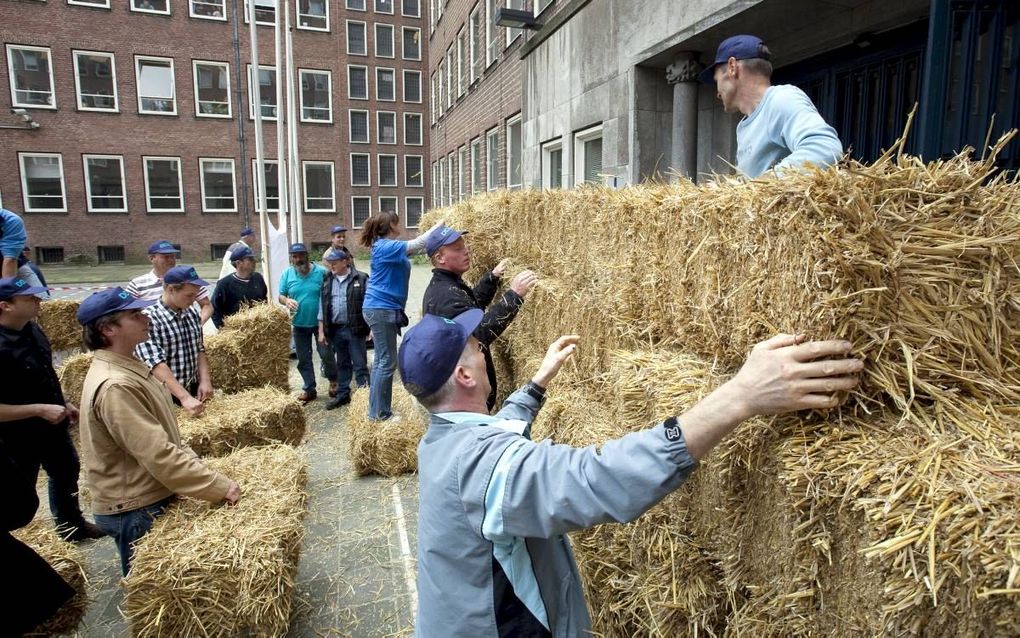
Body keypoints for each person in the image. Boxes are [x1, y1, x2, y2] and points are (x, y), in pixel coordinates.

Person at [399, 310, 863, 636]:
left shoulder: (441, 441)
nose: (485, 353)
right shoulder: (480, 467)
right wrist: (740, 396)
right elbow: (596, 479)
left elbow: (495, 434)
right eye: (479, 348)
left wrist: (537, 384)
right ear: (465, 376)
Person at [76, 287, 240, 575]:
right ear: (108, 329)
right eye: (134, 315)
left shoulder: (128, 368)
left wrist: (194, 464)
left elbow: (160, 434)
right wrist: (218, 487)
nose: (145, 318)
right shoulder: (116, 385)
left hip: (142, 496)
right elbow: (157, 453)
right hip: (134, 506)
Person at [0, 277, 106, 542]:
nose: (39, 301)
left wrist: (63, 402)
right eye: (29, 298)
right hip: (15, 434)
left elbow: (47, 373)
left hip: (51, 424)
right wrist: (38, 409)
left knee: (67, 470)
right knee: (19, 488)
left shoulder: (32, 330)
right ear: (5, 306)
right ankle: (18, 535)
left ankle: (71, 526)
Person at [422, 225, 538, 410]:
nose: (466, 251)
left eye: (464, 246)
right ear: (440, 258)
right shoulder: (443, 296)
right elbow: (479, 333)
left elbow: (470, 308)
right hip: (464, 398)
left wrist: (491, 278)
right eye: (458, 249)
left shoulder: (448, 285)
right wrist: (514, 295)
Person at [699, 35, 843, 178]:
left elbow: (826, 148)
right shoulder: (743, 127)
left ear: (732, 67)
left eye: (717, 80)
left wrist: (766, 183)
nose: (717, 92)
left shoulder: (781, 99)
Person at [359, 212, 443, 421]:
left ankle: (376, 411)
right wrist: (440, 224)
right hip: (381, 307)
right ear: (390, 226)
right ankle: (380, 414)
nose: (401, 224)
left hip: (382, 308)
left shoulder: (389, 248)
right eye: (397, 221)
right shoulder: (385, 246)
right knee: (386, 362)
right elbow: (418, 243)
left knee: (382, 361)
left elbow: (417, 249)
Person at [134, 266, 212, 418]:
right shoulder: (149, 318)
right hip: (164, 394)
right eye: (189, 295)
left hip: (191, 388)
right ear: (171, 289)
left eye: (195, 296)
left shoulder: (191, 313)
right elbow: (155, 363)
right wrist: (184, 397)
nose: (193, 301)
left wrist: (205, 380)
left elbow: (199, 349)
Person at [279, 243, 334, 404]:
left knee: (326, 353)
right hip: (299, 323)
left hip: (320, 323)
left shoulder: (321, 273)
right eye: (295, 256)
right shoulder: (287, 274)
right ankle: (309, 388)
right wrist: (287, 301)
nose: (298, 259)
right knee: (303, 358)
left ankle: (333, 380)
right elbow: (281, 296)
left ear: (307, 255)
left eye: (301, 255)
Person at [317, 249, 370, 410]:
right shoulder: (327, 279)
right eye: (330, 263)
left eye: (335, 262)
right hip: (336, 329)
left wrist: (371, 328)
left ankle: (365, 398)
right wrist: (321, 331)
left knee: (360, 364)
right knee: (342, 364)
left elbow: (370, 304)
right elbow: (322, 306)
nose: (331, 265)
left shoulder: (361, 278)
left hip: (355, 329)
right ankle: (343, 395)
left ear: (345, 262)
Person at [127, 240, 214, 325]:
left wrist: (196, 325)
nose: (171, 260)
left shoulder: (188, 279)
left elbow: (207, 305)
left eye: (173, 256)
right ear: (151, 258)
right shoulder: (137, 284)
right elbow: (126, 312)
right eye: (166, 257)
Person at [211, 245, 268, 329]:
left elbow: (264, 300)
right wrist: (223, 329)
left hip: (258, 330)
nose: (254, 262)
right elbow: (214, 309)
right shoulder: (224, 284)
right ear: (238, 263)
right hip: (237, 333)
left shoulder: (258, 278)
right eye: (250, 259)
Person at [1, 208, 28, 279]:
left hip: (14, 269)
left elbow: (10, 260)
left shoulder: (11, 221)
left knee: (30, 288)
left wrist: (7, 287)